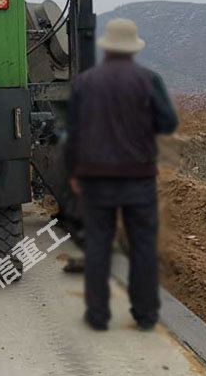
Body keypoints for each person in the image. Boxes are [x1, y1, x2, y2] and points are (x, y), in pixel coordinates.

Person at [65, 18, 178, 332]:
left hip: (95, 177)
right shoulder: (148, 80)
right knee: (142, 245)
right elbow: (167, 123)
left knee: (98, 244)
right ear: (132, 49)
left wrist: (74, 171)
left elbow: (73, 133)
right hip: (137, 177)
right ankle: (145, 315)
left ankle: (98, 315)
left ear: (108, 48)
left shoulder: (85, 83)